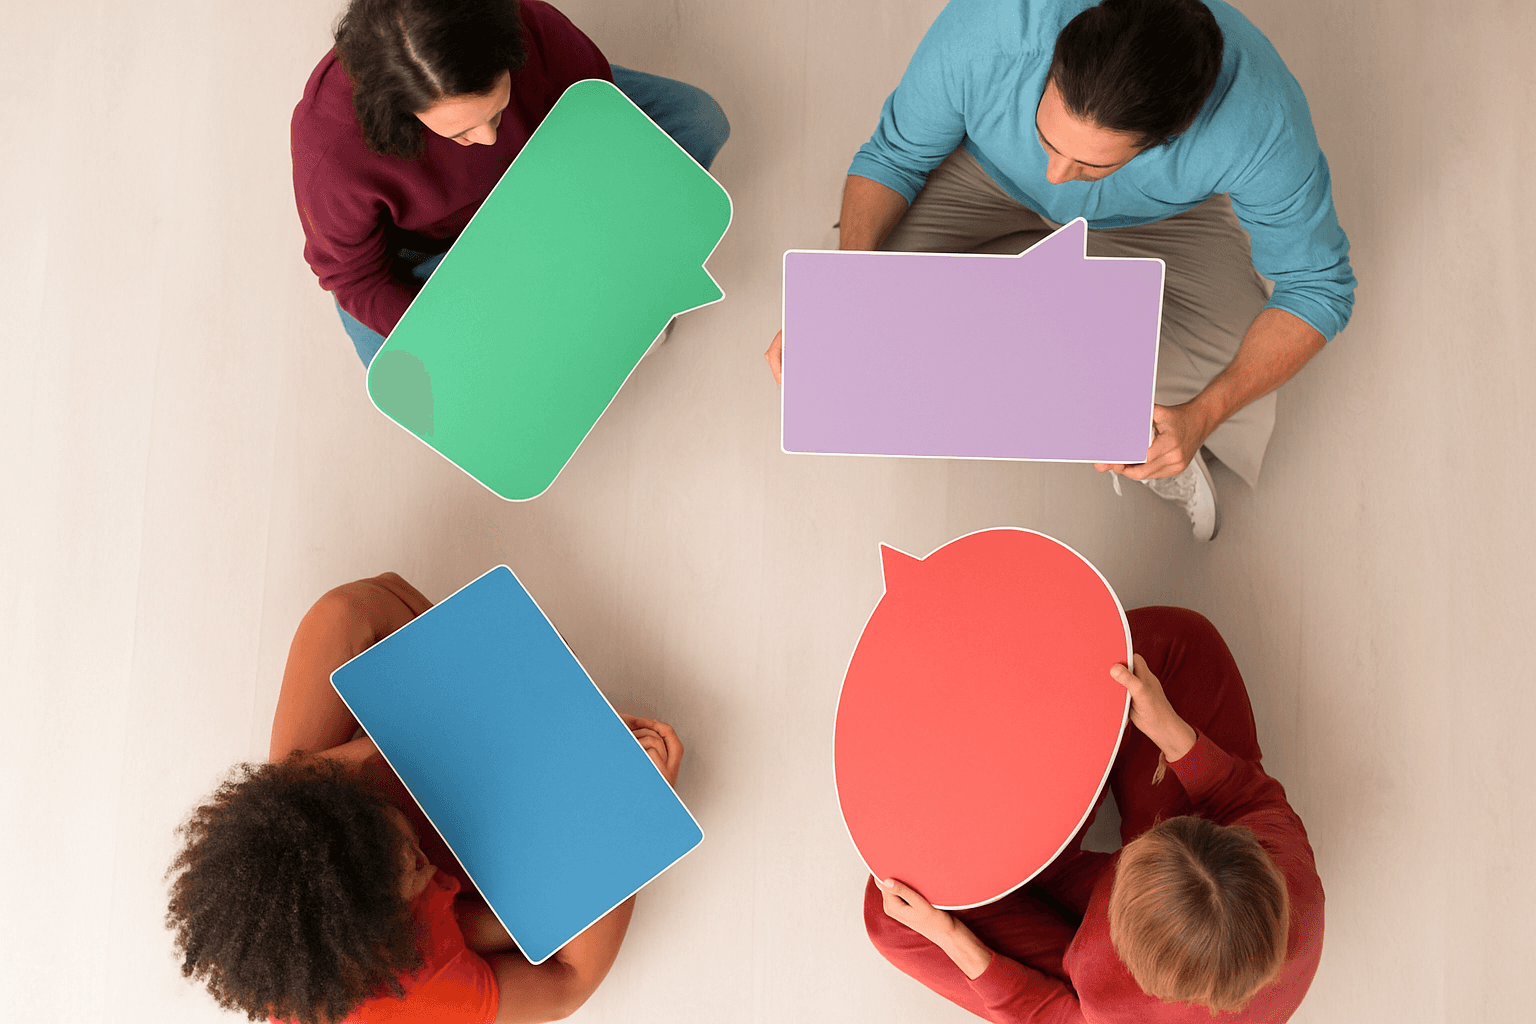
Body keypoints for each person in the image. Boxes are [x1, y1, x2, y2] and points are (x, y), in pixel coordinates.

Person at [764, 0, 1355, 540]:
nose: (1056, 176)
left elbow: (1318, 290)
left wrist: (1204, 414)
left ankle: (1168, 439)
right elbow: (895, 155)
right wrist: (844, 299)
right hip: (984, 176)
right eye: (1048, 137)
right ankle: (1013, 287)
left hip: (1152, 223)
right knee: (867, 300)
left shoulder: (1260, 123)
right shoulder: (989, 30)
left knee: (1230, 356)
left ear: (1171, 136)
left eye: (1090, 163)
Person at [165, 572, 686, 1024]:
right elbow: (568, 986)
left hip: (344, 837)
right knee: (505, 923)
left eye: (402, 838)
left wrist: (487, 690)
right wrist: (627, 802)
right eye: (415, 867)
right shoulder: (421, 992)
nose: (423, 863)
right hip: (417, 941)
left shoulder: (301, 800)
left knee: (342, 615)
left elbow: (367, 600)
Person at [863, 606, 1323, 1023]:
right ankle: (1044, 857)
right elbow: (1248, 800)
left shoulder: (1112, 1000)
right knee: (1161, 647)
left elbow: (1045, 1014)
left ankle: (1033, 869)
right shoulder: (1290, 882)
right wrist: (1171, 732)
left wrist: (951, 937)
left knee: (892, 911)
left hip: (1097, 970)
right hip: (1164, 908)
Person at [293, 0, 731, 366]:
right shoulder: (330, 147)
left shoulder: (528, 23)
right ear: (401, 111)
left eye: (496, 111)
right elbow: (356, 277)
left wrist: (586, 238)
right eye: (459, 132)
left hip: (548, 169)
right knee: (406, 374)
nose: (488, 139)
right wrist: (461, 337)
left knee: (697, 120)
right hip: (432, 247)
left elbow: (600, 123)